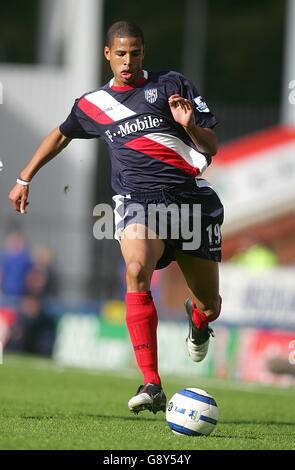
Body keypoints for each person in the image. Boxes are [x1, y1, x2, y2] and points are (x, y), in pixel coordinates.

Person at [8, 21, 223, 415]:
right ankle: (151, 383)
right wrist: (25, 177)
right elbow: (60, 134)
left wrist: (189, 125)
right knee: (137, 269)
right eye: (121, 53)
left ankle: (198, 318)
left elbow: (212, 145)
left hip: (189, 202)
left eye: (136, 52)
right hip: (136, 202)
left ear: (144, 51)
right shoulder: (93, 105)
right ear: (107, 54)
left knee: (209, 303)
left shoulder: (172, 85)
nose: (129, 61)